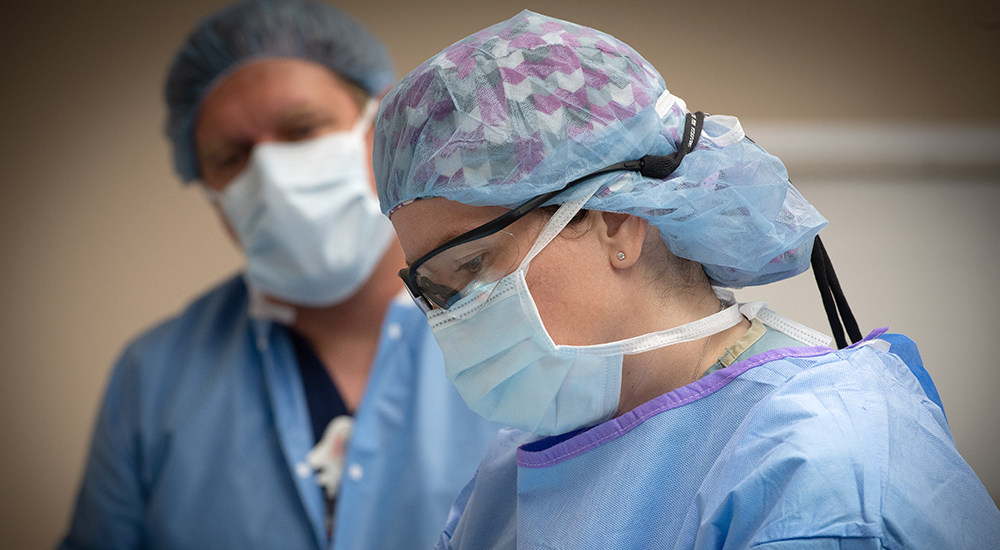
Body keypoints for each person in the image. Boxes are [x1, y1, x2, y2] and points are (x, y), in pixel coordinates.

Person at [372, 10, 1000, 549]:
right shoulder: (512, 475)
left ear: (615, 221)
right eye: (436, 291)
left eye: (474, 265)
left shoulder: (821, 460)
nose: (458, 313)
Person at [60, 1, 499, 548]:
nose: (271, 176)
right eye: (232, 156)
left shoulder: (511, 320)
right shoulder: (154, 380)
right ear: (215, 197)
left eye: (301, 129)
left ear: (383, 128)